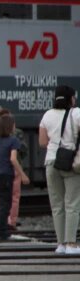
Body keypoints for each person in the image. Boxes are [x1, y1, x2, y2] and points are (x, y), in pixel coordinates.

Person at [39, 84, 80, 255]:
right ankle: (71, 244)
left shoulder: (47, 115)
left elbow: (42, 142)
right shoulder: (77, 113)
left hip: (51, 162)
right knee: (72, 204)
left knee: (57, 205)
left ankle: (61, 244)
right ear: (71, 98)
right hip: (70, 163)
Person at [0, 113, 30, 241]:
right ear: (10, 127)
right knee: (6, 204)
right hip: (6, 174)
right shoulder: (13, 140)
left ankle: (0, 229)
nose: (15, 126)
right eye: (13, 124)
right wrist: (23, 174)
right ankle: (1, 232)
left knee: (1, 203)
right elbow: (13, 159)